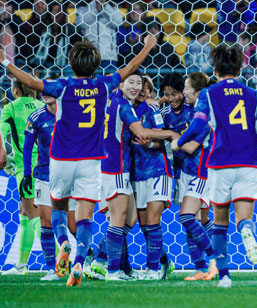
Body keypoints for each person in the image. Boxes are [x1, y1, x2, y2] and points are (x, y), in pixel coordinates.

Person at [2, 33, 156, 286]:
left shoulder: (61, 87)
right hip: (91, 162)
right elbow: (129, 68)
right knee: (85, 216)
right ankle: (79, 261)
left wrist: (6, 63)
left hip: (61, 160)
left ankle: (64, 243)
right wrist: (148, 46)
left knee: (59, 209)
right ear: (96, 64)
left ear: (71, 64)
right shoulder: (104, 85)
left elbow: (30, 81)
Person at [172, 45, 257, 288]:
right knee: (243, 217)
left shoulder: (208, 94)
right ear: (240, 69)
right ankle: (248, 229)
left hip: (220, 163)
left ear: (215, 69)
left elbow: (198, 127)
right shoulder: (254, 95)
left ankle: (225, 276)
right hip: (250, 162)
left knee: (220, 223)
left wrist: (180, 141)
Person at [166, 72, 218, 281]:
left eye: (187, 88)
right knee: (195, 221)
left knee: (187, 217)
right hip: (186, 172)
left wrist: (171, 136)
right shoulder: (195, 110)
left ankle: (215, 259)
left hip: (201, 172)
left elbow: (191, 146)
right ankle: (200, 268)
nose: (184, 92)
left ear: (197, 91)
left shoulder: (203, 114)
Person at [21, 87, 76, 281]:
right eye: (42, 90)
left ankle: (85, 259)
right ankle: (52, 269)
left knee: (73, 224)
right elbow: (28, 148)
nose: (45, 93)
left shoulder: (71, 115)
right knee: (46, 221)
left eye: (50, 90)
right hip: (44, 175)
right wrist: (27, 175)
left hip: (69, 175)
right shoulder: (36, 117)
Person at [131, 76, 178, 280]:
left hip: (159, 170)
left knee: (152, 220)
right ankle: (165, 262)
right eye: (137, 86)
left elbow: (164, 137)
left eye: (145, 87)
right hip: (137, 173)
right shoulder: (125, 111)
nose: (141, 90)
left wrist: (148, 143)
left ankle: (152, 270)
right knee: (143, 225)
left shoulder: (152, 110)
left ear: (149, 90)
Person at [0, 79, 43, 276]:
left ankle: (61, 259)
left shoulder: (10, 108)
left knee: (34, 215)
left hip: (26, 168)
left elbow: (1, 135)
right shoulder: (42, 106)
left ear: (15, 89)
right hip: (46, 166)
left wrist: (6, 161)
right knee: (25, 215)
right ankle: (20, 266)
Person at [75, 0, 124, 70]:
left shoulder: (113, 7)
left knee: (108, 81)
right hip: (89, 56)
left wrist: (105, 6)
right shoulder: (83, 8)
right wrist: (95, 8)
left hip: (109, 56)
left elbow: (118, 23)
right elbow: (81, 24)